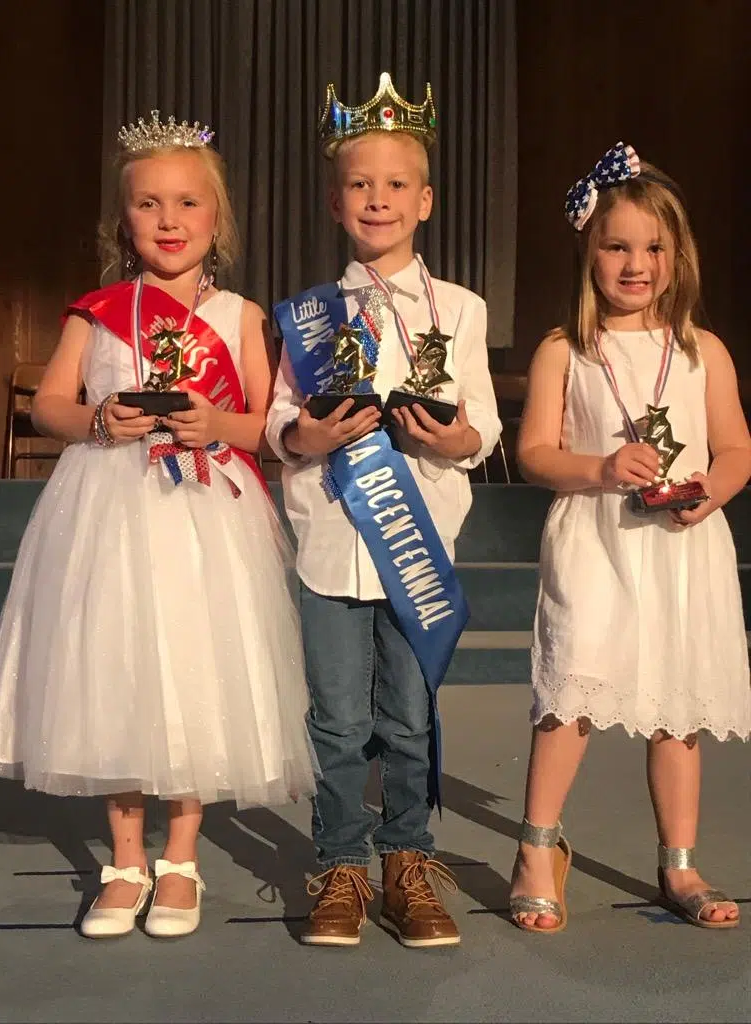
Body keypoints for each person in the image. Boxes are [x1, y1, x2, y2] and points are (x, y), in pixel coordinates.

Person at [0, 110, 317, 940]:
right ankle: (123, 859)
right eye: (149, 205)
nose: (169, 221)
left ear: (218, 218)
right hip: (110, 509)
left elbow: (268, 426)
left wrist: (216, 423)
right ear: (122, 220)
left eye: (188, 204)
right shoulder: (97, 312)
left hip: (206, 517)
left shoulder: (241, 316)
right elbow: (53, 404)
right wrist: (98, 420)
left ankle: (181, 858)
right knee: (117, 668)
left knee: (193, 671)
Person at [267, 73, 501, 948]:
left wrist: (450, 441)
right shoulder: (304, 316)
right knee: (336, 717)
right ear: (335, 202)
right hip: (331, 540)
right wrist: (307, 436)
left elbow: (482, 424)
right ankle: (339, 867)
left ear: (427, 199)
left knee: (407, 715)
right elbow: (275, 423)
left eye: (396, 184)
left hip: (418, 540)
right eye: (360, 184)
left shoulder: (464, 312)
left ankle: (407, 861)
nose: (378, 199)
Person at [509, 142, 751, 934]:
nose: (635, 263)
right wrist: (604, 466)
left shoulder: (702, 351)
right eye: (617, 246)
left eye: (653, 248)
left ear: (678, 258)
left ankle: (679, 863)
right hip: (597, 541)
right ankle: (538, 850)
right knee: (572, 691)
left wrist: (708, 491)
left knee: (676, 710)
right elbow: (534, 453)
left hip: (681, 549)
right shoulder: (564, 350)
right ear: (590, 252)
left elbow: (736, 449)